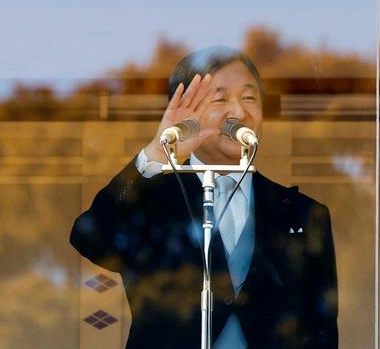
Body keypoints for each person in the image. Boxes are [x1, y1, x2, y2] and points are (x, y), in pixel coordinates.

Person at [71, 47, 338, 348]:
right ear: (186, 112)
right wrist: (157, 155)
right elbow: (90, 238)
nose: (238, 113)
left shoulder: (303, 213)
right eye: (220, 98)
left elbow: (322, 329)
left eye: (249, 98)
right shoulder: (153, 199)